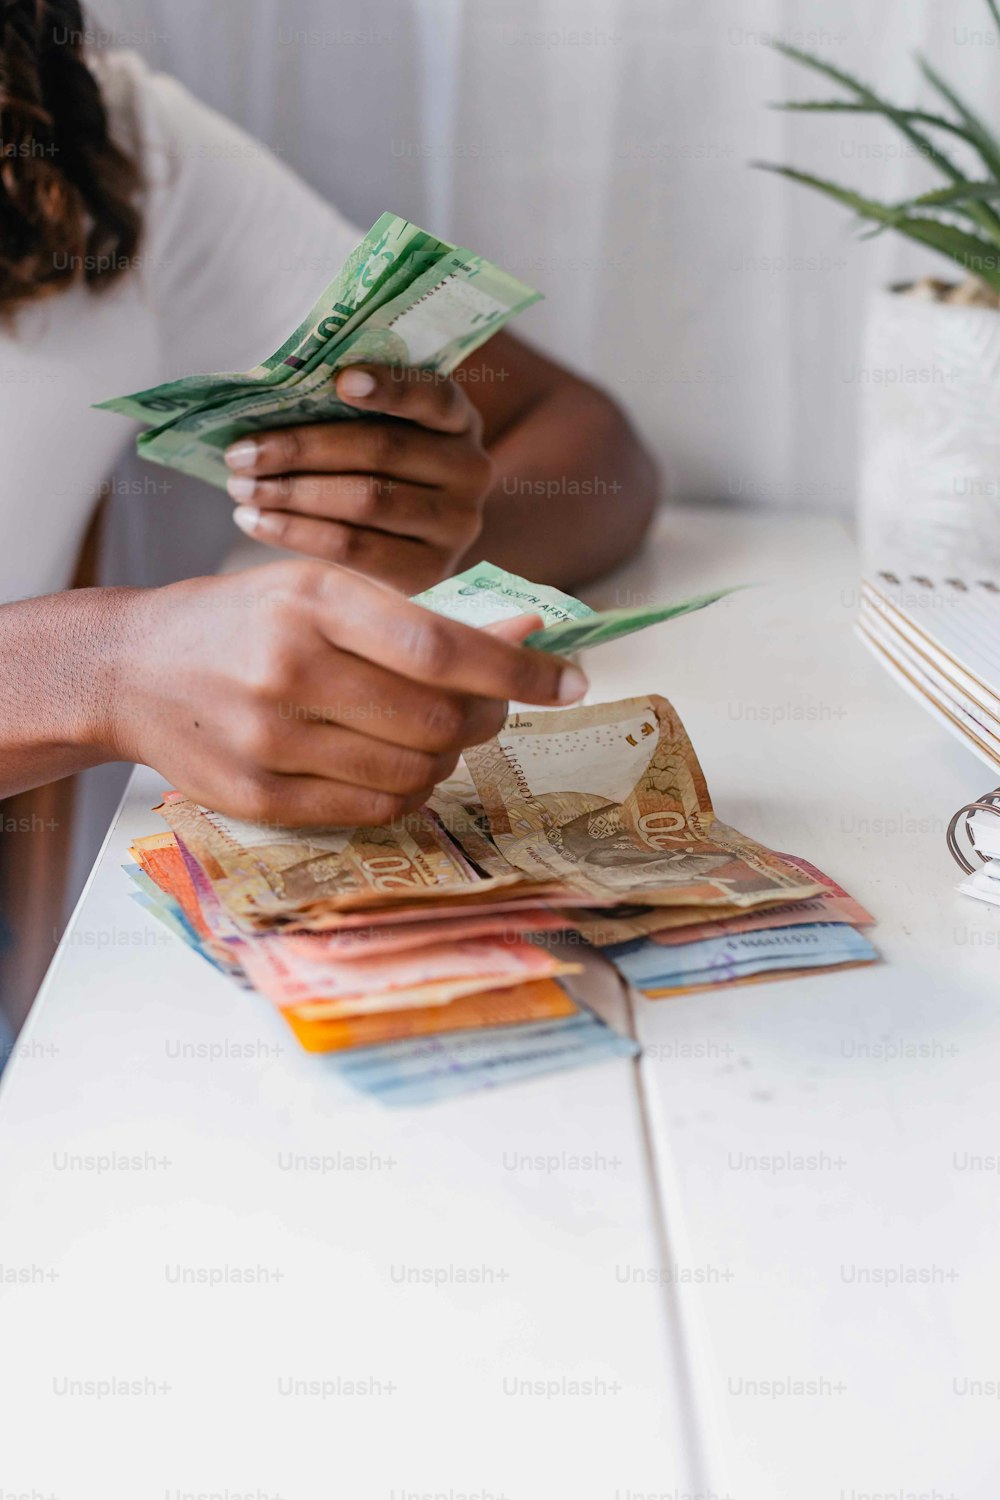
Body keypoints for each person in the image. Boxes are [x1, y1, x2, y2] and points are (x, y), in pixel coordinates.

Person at [0, 0, 657, 834]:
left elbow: (580, 433)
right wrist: (101, 668)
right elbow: (105, 669)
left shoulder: (97, 142)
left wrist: (417, 540)